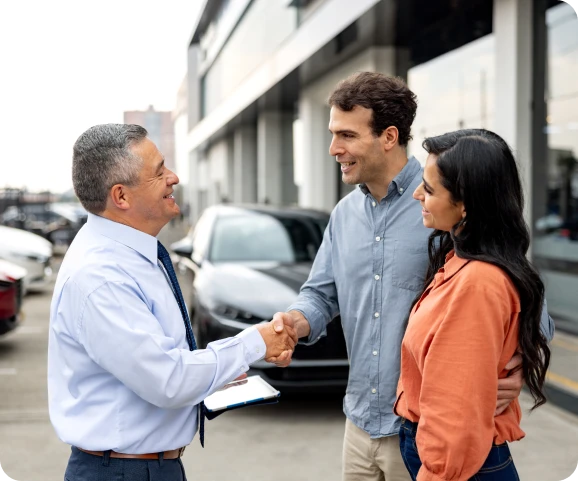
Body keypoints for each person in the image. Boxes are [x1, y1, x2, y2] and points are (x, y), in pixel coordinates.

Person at [269, 72, 554, 481]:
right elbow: (321, 294)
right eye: (333, 134)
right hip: (358, 425)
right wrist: (295, 323)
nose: (334, 149)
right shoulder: (344, 216)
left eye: (346, 135)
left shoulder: (450, 203)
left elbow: (527, 307)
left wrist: (517, 369)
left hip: (423, 433)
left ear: (388, 136)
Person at [48, 124, 297, 481]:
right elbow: (168, 380)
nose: (174, 177)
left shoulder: (130, 253)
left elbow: (160, 360)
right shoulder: (100, 277)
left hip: (142, 466)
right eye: (159, 171)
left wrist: (219, 371)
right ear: (121, 196)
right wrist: (255, 342)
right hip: (123, 472)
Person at [394, 129, 551, 480]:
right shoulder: (459, 262)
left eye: (430, 190)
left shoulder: (478, 282)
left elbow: (456, 413)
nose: (418, 195)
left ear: (465, 204)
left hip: (461, 467)